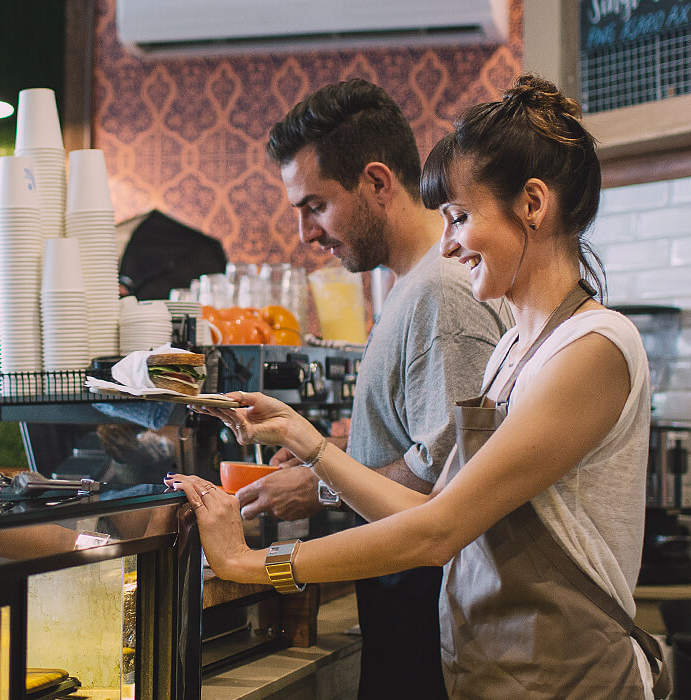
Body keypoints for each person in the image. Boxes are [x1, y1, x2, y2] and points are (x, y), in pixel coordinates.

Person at [169, 74, 663, 698]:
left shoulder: (593, 349)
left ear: (533, 206)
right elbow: (433, 509)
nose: (449, 243)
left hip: (570, 682)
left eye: (459, 217)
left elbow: (438, 533)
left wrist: (253, 565)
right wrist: (313, 445)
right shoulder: (515, 349)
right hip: (497, 676)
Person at [242, 78, 511, 699]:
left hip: (434, 631)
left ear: (377, 183)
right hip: (407, 616)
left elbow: (447, 480)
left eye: (315, 205)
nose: (307, 234)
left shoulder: (440, 292)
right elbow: (424, 436)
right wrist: (342, 450)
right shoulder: (407, 288)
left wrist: (322, 477)